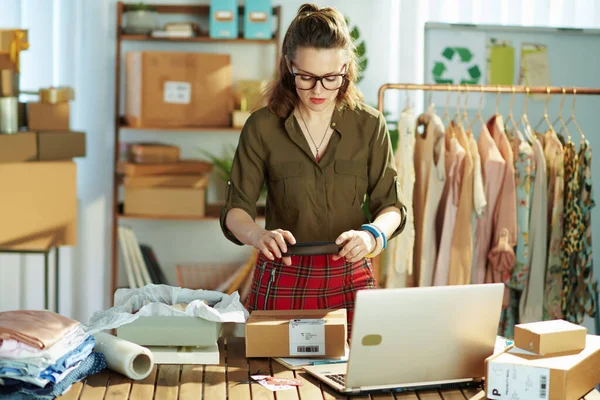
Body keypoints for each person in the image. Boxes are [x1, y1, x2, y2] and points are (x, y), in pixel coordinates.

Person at [220, 3, 406, 335]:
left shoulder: (369, 125)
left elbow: (391, 207)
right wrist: (258, 235)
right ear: (288, 66)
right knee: (268, 378)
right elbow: (236, 210)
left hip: (349, 274)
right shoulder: (262, 127)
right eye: (305, 77)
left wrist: (371, 235)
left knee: (354, 376)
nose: (318, 90)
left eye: (330, 78)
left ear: (346, 69)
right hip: (284, 272)